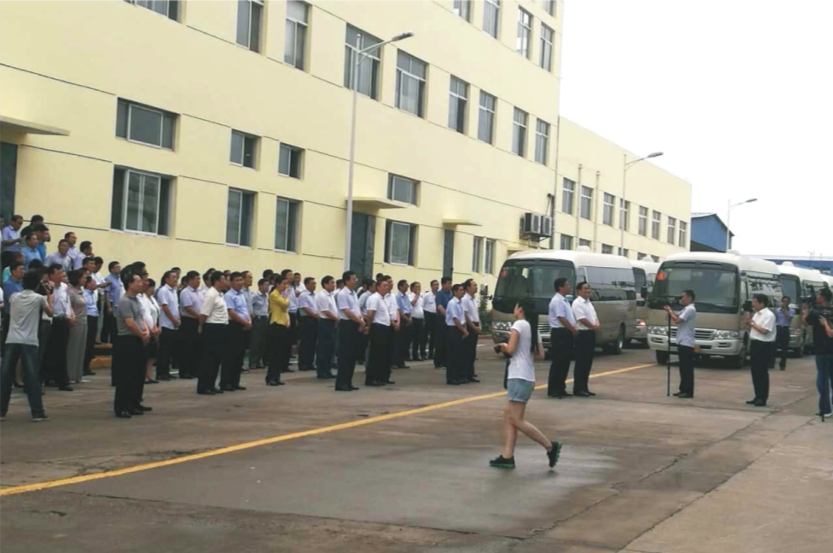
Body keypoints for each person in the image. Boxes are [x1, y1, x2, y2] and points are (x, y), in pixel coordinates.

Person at [490, 300, 563, 470]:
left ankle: (550, 446)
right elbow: (540, 354)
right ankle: (507, 456)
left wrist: (502, 346)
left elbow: (510, 349)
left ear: (520, 309)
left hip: (518, 376)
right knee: (509, 415)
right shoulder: (532, 327)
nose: (514, 309)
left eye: (515, 306)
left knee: (516, 419)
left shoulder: (519, 325)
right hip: (527, 376)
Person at [1, 270, 54, 422]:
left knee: (5, 376)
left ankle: (1, 412)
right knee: (32, 377)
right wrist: (49, 295)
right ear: (37, 285)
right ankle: (37, 412)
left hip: (12, 339)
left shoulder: (14, 297)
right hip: (29, 341)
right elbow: (50, 313)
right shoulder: (39, 298)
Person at [112, 270, 151, 418]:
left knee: (138, 374)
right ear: (130, 284)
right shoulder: (125, 301)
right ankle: (122, 406)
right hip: (127, 340)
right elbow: (129, 323)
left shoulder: (137, 300)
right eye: (138, 281)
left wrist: (146, 331)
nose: (142, 284)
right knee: (126, 375)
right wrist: (141, 334)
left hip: (138, 339)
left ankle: (134, 402)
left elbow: (140, 319)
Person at [42, 264, 74, 391]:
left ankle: (62, 380)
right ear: (51, 275)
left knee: (62, 351)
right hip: (52, 320)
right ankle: (49, 377)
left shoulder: (64, 287)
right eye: (59, 273)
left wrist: (71, 314)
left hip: (64, 320)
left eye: (62, 272)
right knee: (50, 351)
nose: (62, 275)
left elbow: (67, 303)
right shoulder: (47, 287)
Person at [197, 271, 229, 395]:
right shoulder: (211, 294)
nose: (225, 282)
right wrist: (201, 326)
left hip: (221, 328)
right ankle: (203, 386)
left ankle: (211, 384)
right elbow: (204, 314)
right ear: (216, 281)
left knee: (216, 358)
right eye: (223, 279)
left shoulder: (220, 294)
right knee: (208, 358)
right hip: (212, 328)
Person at [803, 287, 833, 417]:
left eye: (818, 295)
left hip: (822, 350)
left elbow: (805, 321)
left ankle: (825, 409)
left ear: (822, 297)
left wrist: (806, 309)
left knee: (822, 380)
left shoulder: (816, 313)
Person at [664, 290, 697, 399]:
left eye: (683, 297)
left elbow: (677, 320)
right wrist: (670, 311)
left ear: (689, 298)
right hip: (682, 341)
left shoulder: (690, 309)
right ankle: (683, 389)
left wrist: (670, 311)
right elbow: (676, 316)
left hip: (686, 342)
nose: (681, 299)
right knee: (683, 368)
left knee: (687, 368)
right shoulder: (686, 309)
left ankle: (688, 391)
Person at [548, 278, 577, 398]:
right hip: (560, 333)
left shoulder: (565, 300)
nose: (569, 287)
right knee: (559, 362)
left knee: (565, 362)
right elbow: (561, 318)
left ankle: (561, 387)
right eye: (567, 285)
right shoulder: (557, 301)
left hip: (566, 333)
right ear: (560, 287)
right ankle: (553, 389)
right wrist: (572, 329)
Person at [335, 270, 365, 391]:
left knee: (352, 355)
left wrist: (361, 321)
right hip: (347, 324)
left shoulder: (353, 293)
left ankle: (348, 381)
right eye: (353, 279)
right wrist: (360, 322)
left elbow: (357, 309)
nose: (355, 281)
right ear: (347, 281)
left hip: (355, 323)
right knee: (345, 355)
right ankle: (341, 382)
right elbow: (347, 311)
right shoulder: (343, 294)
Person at [746, 294, 776, 407]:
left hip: (764, 344)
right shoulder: (756, 314)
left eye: (755, 302)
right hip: (755, 343)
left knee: (761, 371)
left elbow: (764, 331)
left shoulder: (769, 315)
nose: (753, 304)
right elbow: (751, 327)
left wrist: (752, 323)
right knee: (755, 371)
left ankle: (763, 397)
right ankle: (757, 395)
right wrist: (749, 321)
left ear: (762, 303)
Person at [223, 272, 250, 392]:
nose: (240, 282)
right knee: (231, 355)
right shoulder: (229, 295)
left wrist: (248, 321)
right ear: (231, 282)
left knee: (240, 355)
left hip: (244, 325)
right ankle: (226, 382)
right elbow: (231, 312)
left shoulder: (242, 294)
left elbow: (245, 310)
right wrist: (245, 322)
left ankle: (235, 381)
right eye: (237, 280)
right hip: (233, 325)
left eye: (241, 280)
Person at [572, 282, 600, 397]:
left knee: (588, 362)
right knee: (581, 362)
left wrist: (597, 324)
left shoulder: (589, 303)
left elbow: (595, 316)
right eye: (585, 289)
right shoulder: (577, 303)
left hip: (590, 333)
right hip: (582, 334)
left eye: (588, 288)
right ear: (579, 290)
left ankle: (584, 387)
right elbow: (581, 319)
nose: (587, 291)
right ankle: (578, 388)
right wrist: (592, 326)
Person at [365, 277, 392, 387]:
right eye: (384, 285)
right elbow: (370, 315)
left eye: (387, 285)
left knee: (382, 354)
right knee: (375, 354)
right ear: (378, 287)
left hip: (384, 328)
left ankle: (380, 376)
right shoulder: (374, 298)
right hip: (377, 327)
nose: (387, 287)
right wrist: (369, 327)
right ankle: (371, 378)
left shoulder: (383, 299)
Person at [155, 270, 180, 381]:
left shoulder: (174, 291)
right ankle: (161, 372)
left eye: (176, 277)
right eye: (173, 277)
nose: (175, 279)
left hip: (173, 324)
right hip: (166, 324)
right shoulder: (163, 290)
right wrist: (173, 320)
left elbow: (175, 307)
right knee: (164, 350)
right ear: (166, 279)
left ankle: (166, 371)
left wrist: (177, 319)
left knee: (170, 349)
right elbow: (165, 307)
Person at [179, 271, 204, 382]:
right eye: (196, 279)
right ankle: (185, 371)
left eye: (199, 279)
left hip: (198, 321)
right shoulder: (185, 292)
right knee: (187, 346)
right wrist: (199, 316)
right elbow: (188, 308)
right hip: (188, 321)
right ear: (190, 280)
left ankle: (195, 370)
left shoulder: (200, 292)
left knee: (197, 346)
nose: (198, 281)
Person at [266, 275, 290, 386]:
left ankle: (277, 376)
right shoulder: (274, 294)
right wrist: (288, 296)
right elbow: (285, 304)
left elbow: (285, 310)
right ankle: (270, 377)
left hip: (282, 324)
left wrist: (287, 320)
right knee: (274, 353)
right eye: (283, 284)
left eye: (286, 284)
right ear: (277, 284)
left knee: (280, 352)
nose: (285, 286)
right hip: (275, 324)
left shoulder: (281, 295)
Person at [65, 270, 88, 385]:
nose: (85, 280)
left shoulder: (80, 291)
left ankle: (78, 375)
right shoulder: (70, 292)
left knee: (81, 348)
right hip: (75, 322)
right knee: (73, 349)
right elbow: (69, 307)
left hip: (83, 321)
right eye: (83, 277)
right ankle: (70, 374)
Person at [445, 283, 469, 386]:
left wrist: (464, 329)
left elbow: (463, 317)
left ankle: (458, 376)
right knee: (453, 354)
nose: (462, 292)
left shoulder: (461, 302)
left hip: (460, 328)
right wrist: (464, 331)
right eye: (460, 290)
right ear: (455, 292)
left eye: (463, 290)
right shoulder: (452, 303)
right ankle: (451, 377)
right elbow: (455, 319)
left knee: (460, 354)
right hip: (453, 329)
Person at [315, 275, 338, 379]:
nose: (334, 285)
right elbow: (326, 311)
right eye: (332, 283)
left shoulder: (331, 294)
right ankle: (321, 370)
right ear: (325, 284)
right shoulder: (322, 295)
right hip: (325, 322)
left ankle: (328, 369)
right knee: (323, 347)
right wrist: (337, 319)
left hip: (332, 322)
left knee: (330, 347)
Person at [461, 279, 481, 383]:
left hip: (475, 325)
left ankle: (471, 373)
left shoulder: (474, 299)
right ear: (468, 287)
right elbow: (465, 315)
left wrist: (479, 325)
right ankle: (465, 373)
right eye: (474, 285)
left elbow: (476, 314)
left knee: (472, 351)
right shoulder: (465, 299)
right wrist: (473, 327)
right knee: (467, 352)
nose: (476, 287)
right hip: (470, 326)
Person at [298, 276, 319, 372]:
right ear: (307, 285)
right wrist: (315, 315)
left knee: (313, 342)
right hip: (307, 319)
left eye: (315, 283)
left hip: (315, 319)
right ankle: (303, 363)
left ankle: (310, 362)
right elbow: (305, 308)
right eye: (312, 283)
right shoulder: (304, 295)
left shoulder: (315, 295)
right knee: (306, 342)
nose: (314, 285)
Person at [2, 261, 25, 348]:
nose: (23, 271)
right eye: (20, 269)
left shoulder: (21, 283)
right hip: (11, 316)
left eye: (23, 269)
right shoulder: (8, 284)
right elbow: (12, 300)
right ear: (13, 271)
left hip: (19, 317)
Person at [249, 278, 270, 370]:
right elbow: (250, 306)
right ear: (260, 286)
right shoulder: (255, 296)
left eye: (268, 285)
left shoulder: (267, 296)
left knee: (263, 342)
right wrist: (252, 316)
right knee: (256, 341)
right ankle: (253, 362)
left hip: (265, 319)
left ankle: (259, 361)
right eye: (266, 285)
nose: (267, 287)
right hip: (258, 319)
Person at [434, 277, 453, 369]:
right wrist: (447, 315)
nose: (450, 285)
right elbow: (440, 307)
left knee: (447, 341)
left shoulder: (451, 294)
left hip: (449, 321)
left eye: (451, 283)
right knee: (440, 341)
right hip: (441, 319)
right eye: (449, 283)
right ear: (444, 284)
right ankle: (438, 362)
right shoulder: (440, 294)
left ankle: (446, 361)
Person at [102, 261, 123, 344]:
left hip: (118, 304)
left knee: (115, 325)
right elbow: (106, 292)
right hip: (110, 303)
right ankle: (104, 342)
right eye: (117, 267)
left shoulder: (120, 278)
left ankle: (113, 341)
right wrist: (109, 307)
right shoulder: (108, 279)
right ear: (112, 269)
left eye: (119, 267)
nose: (119, 268)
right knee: (108, 324)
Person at [82, 275, 99, 376]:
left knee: (91, 343)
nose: (95, 284)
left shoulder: (94, 293)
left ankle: (87, 366)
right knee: (87, 342)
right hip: (88, 317)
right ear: (88, 284)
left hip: (94, 317)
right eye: (93, 282)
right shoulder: (84, 293)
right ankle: (83, 366)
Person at [356, 279, 375, 366]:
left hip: (372, 320)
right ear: (370, 287)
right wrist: (362, 318)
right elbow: (359, 307)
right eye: (374, 286)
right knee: (363, 341)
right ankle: (360, 357)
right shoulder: (364, 296)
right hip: (365, 319)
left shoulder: (375, 296)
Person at [394, 279, 412, 368]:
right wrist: (406, 319)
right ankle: (396, 361)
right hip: (401, 318)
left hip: (407, 318)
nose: (407, 286)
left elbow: (409, 308)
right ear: (400, 286)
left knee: (405, 342)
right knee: (399, 342)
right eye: (405, 285)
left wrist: (410, 318)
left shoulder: (406, 296)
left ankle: (401, 361)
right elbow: (399, 310)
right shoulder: (397, 296)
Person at [774, 296, 794, 370]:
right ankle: (771, 363)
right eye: (784, 301)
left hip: (785, 329)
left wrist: (785, 311)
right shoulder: (777, 310)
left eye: (786, 301)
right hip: (778, 328)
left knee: (784, 347)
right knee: (774, 346)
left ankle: (782, 365)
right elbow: (775, 319)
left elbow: (789, 318)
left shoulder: (791, 310)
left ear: (789, 302)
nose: (785, 303)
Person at [408, 281, 426, 361]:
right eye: (417, 287)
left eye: (419, 287)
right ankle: (408, 355)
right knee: (411, 338)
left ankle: (416, 355)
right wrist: (416, 296)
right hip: (413, 319)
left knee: (419, 338)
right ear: (412, 288)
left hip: (420, 319)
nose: (419, 288)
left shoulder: (421, 297)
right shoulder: (410, 296)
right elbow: (412, 303)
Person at [422, 280, 439, 360]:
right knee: (425, 336)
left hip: (436, 315)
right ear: (431, 286)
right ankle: (423, 353)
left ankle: (431, 353)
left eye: (437, 285)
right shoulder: (427, 295)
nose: (436, 286)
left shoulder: (439, 295)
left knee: (434, 336)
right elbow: (423, 306)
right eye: (435, 285)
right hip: (428, 315)